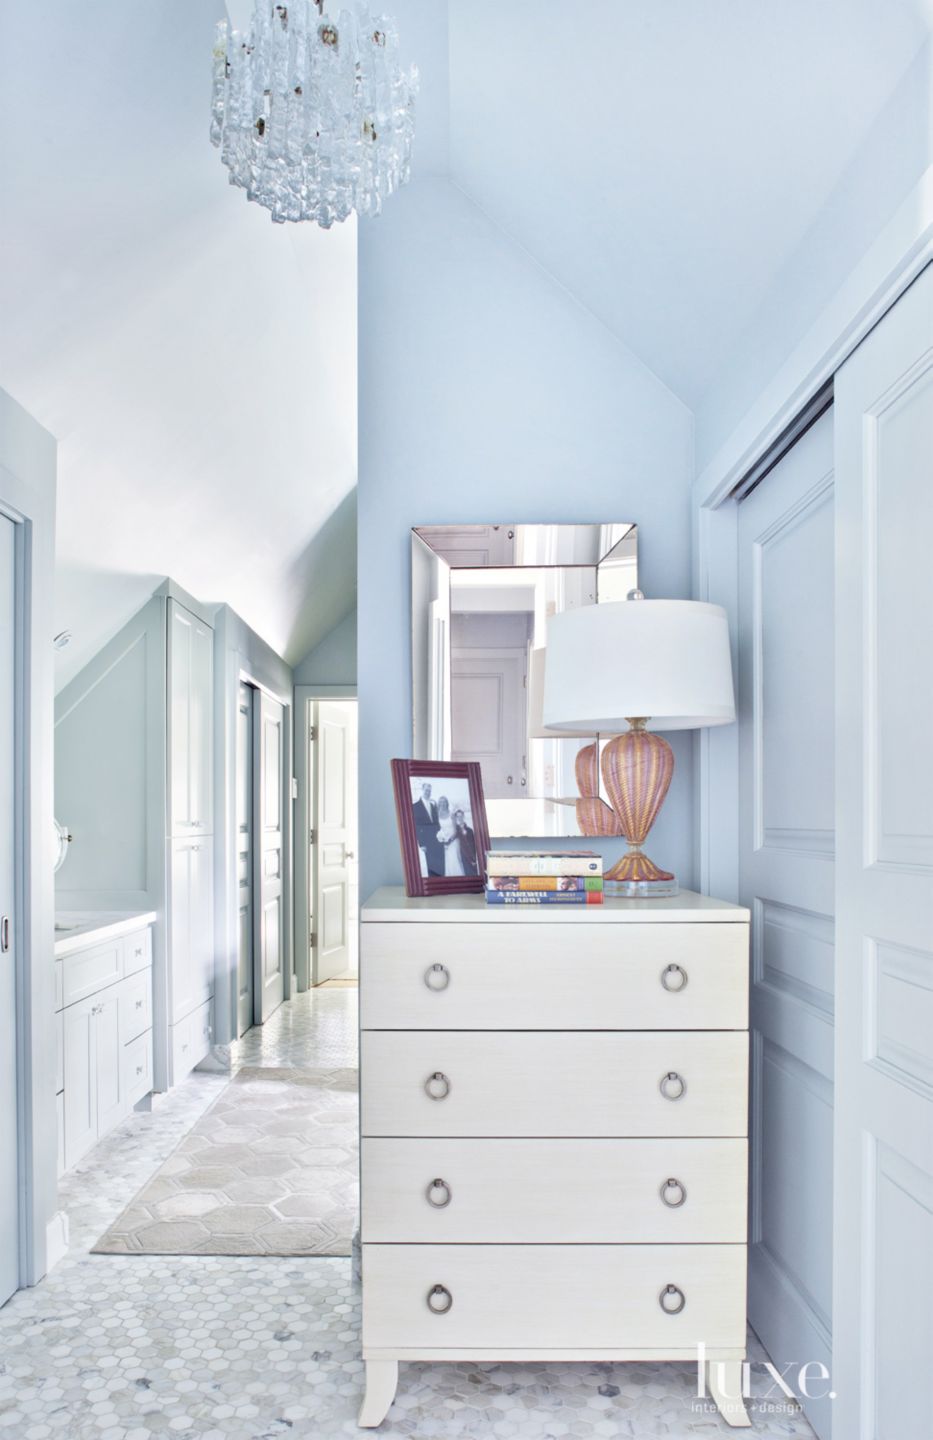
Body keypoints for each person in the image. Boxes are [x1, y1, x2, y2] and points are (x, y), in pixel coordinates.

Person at [412, 782, 444, 877]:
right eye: (426, 790)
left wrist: (441, 837)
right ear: (422, 790)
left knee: (440, 865)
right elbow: (416, 827)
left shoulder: (433, 805)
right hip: (426, 843)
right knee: (431, 866)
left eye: (429, 791)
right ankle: (434, 885)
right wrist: (421, 844)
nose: (428, 792)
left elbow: (437, 824)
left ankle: (441, 884)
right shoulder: (415, 806)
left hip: (437, 841)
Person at [436, 797, 465, 876]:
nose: (443, 804)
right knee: (448, 862)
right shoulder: (437, 815)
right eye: (441, 802)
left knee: (455, 859)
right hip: (445, 842)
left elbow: (456, 831)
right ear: (439, 804)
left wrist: (450, 840)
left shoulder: (451, 814)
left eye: (444, 802)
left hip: (454, 841)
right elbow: (439, 829)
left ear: (447, 803)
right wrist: (442, 838)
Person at [454, 808, 477, 876]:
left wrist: (473, 858)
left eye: (461, 816)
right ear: (456, 818)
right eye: (458, 816)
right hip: (460, 856)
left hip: (469, 857)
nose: (459, 818)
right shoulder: (455, 830)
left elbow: (473, 845)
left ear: (463, 816)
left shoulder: (470, 830)